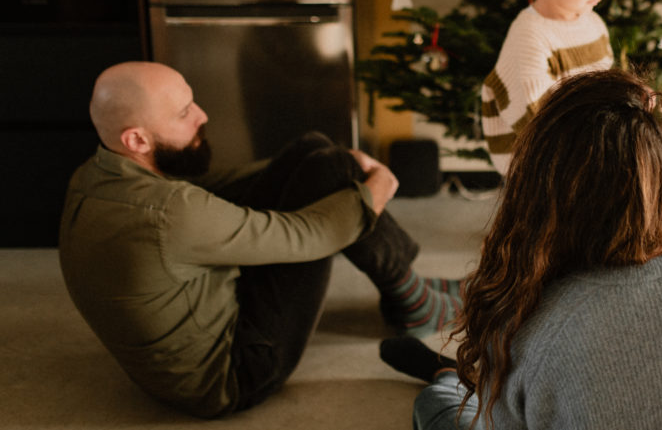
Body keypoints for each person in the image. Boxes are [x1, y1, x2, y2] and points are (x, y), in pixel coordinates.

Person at [382, 69, 662, 430]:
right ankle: (452, 376)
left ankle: (446, 379)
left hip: (507, 380)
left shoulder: (526, 323)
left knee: (439, 406)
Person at [59, 62, 462, 418]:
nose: (202, 116)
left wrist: (312, 163)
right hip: (234, 375)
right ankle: (412, 300)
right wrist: (378, 186)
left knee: (317, 151)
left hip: (183, 338)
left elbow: (214, 189)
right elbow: (309, 236)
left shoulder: (94, 175)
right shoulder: (169, 215)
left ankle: (408, 292)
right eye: (184, 113)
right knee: (335, 177)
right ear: (137, 141)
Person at [480, 0, 622, 174]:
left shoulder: (593, 24)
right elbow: (543, 128)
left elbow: (606, 92)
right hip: (540, 170)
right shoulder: (529, 36)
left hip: (585, 149)